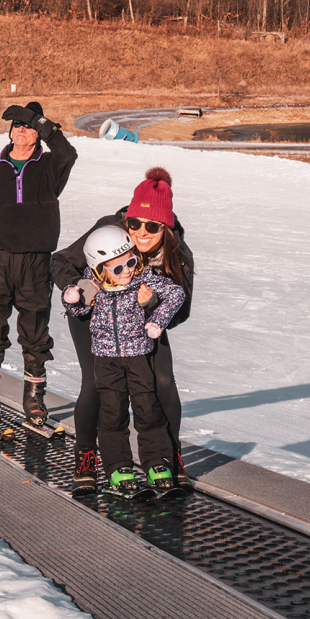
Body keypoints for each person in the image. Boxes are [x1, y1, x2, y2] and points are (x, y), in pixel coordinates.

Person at [52, 167, 194, 495]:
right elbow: (59, 262)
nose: (141, 232)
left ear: (166, 227)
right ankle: (87, 456)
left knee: (161, 382)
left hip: (143, 322)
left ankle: (168, 459)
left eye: (152, 226)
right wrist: (83, 292)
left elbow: (180, 311)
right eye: (134, 223)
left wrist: (153, 305)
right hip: (94, 315)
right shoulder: (109, 231)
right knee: (96, 384)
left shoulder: (178, 254)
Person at [0, 101, 77, 431]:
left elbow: (69, 154)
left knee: (36, 335)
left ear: (38, 132)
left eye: (27, 124)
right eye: (16, 124)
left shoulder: (51, 167)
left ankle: (34, 397)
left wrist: (43, 122)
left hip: (35, 263)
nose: (20, 128)